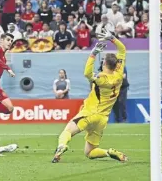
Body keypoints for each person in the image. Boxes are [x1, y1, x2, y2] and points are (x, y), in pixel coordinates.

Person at [52, 29, 128, 163]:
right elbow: (122, 50)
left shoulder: (101, 78)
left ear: (104, 64)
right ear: (116, 65)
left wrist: (93, 53)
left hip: (90, 113)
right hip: (103, 119)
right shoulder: (118, 73)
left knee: (68, 131)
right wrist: (112, 38)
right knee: (89, 152)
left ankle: (61, 146)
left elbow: (87, 74)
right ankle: (108, 152)